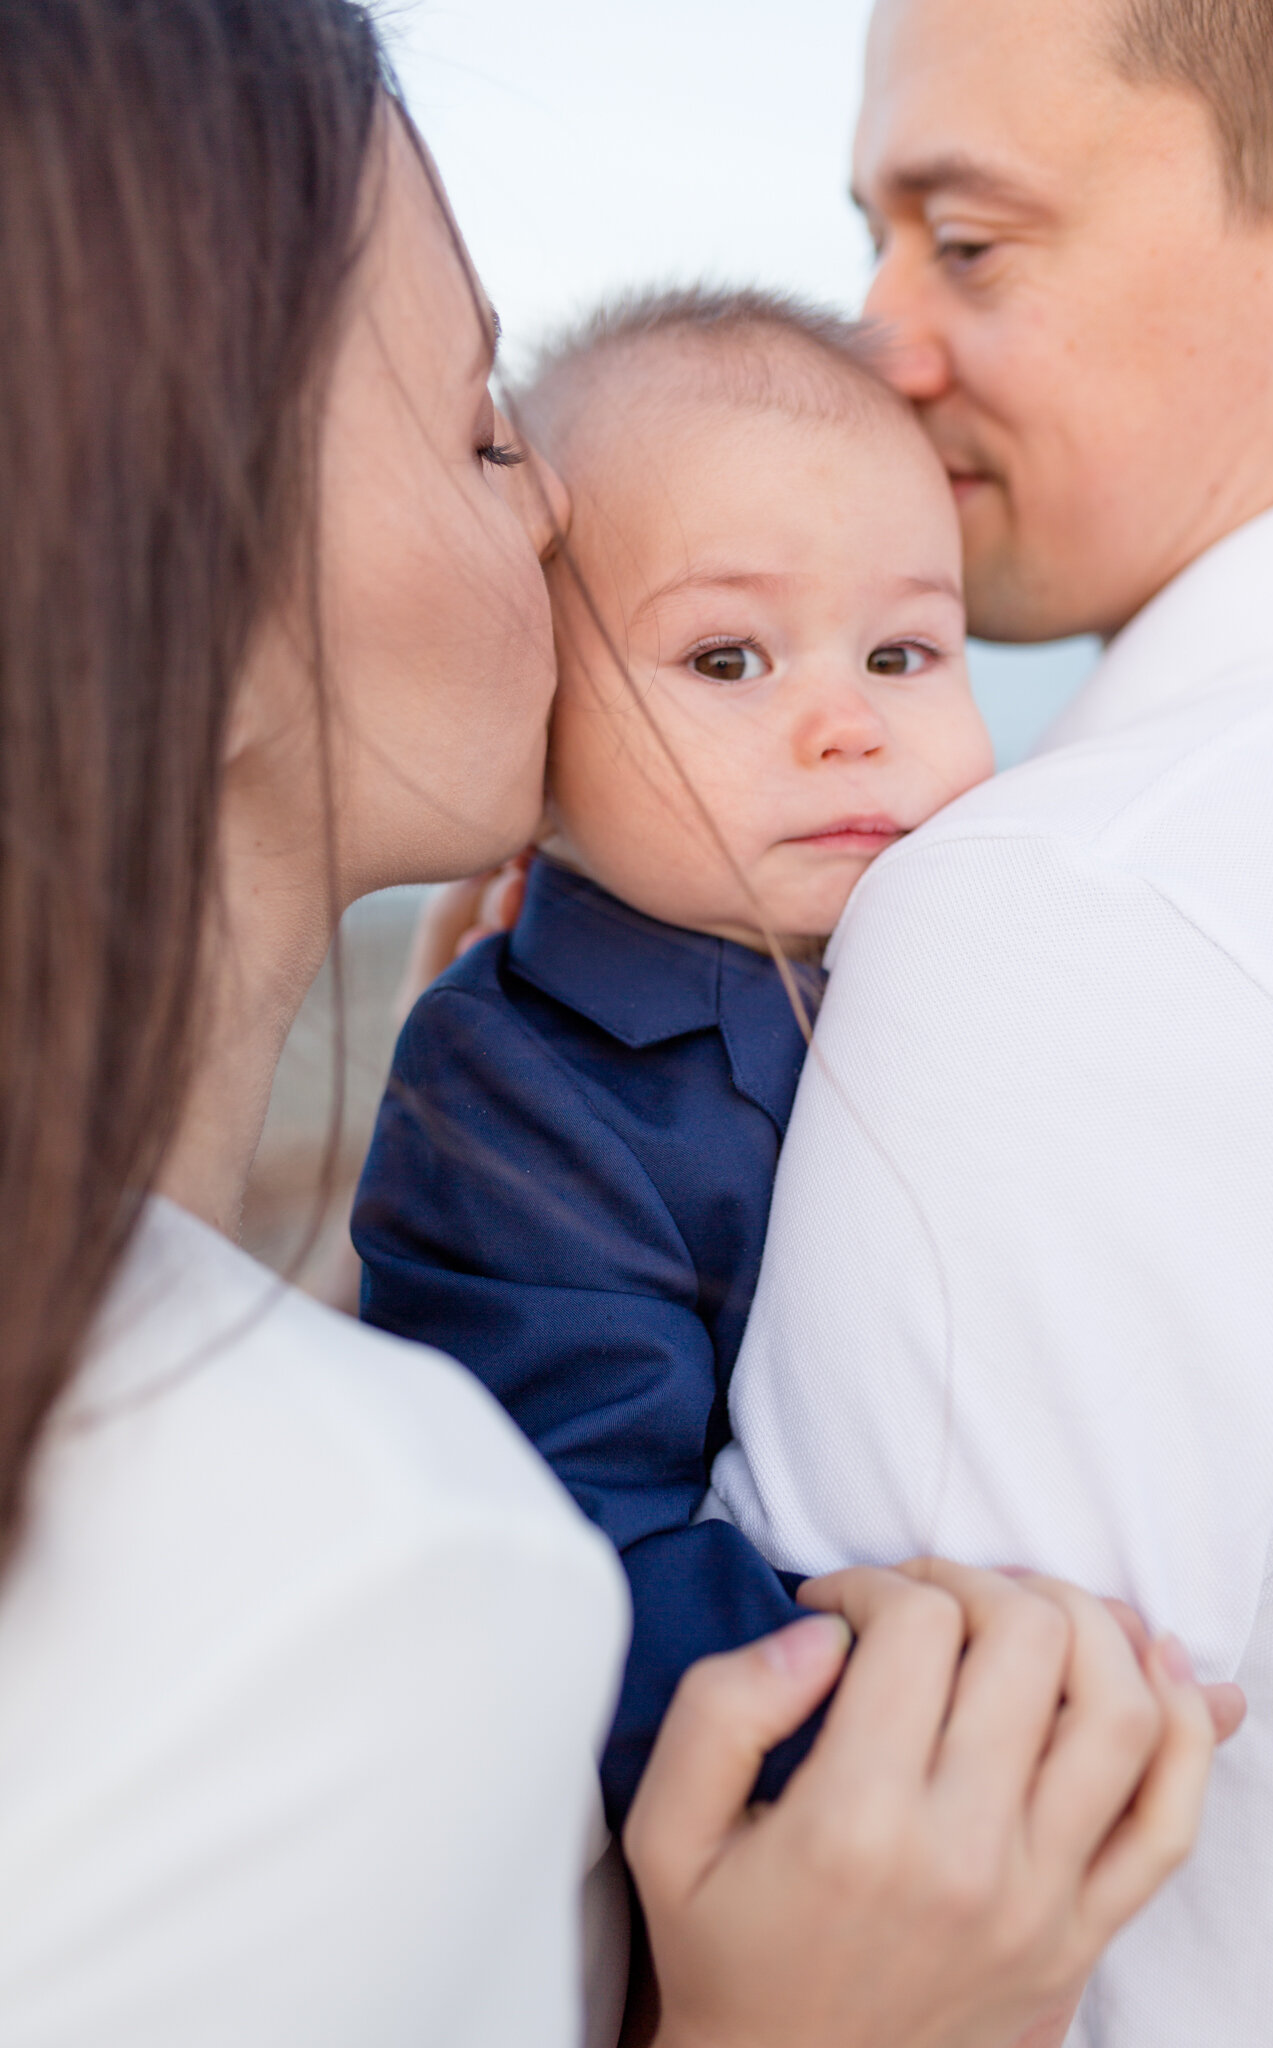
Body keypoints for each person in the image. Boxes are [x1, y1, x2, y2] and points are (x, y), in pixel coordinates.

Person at [0, 4, 1230, 2047]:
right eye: (487, 427)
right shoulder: (372, 1583)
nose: (561, 518)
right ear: (182, 593)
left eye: (899, 645)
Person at [711, 0, 1273, 2042]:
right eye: (873, 238)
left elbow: (816, 1882)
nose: (876, 338)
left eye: (966, 241)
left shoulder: (1068, 915)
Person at [352, 287, 994, 1828]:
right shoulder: (517, 1075)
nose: (846, 722)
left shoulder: (968, 952)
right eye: (726, 660)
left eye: (905, 653)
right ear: (536, 700)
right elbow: (576, 1537)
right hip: (733, 1826)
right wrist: (876, 1753)